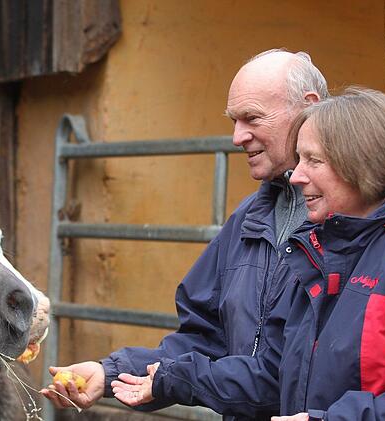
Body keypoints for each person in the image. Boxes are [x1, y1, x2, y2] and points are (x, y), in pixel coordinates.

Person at [109, 88, 385, 420]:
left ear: (362, 165)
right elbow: (276, 374)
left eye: (314, 160)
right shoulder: (319, 249)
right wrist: (171, 379)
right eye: (299, 159)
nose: (295, 176)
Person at [41, 48, 328, 420]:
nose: (237, 137)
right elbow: (205, 336)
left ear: (309, 107)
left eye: (252, 117)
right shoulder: (248, 220)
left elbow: (289, 376)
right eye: (234, 120)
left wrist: (171, 380)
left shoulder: (347, 225)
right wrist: (111, 372)